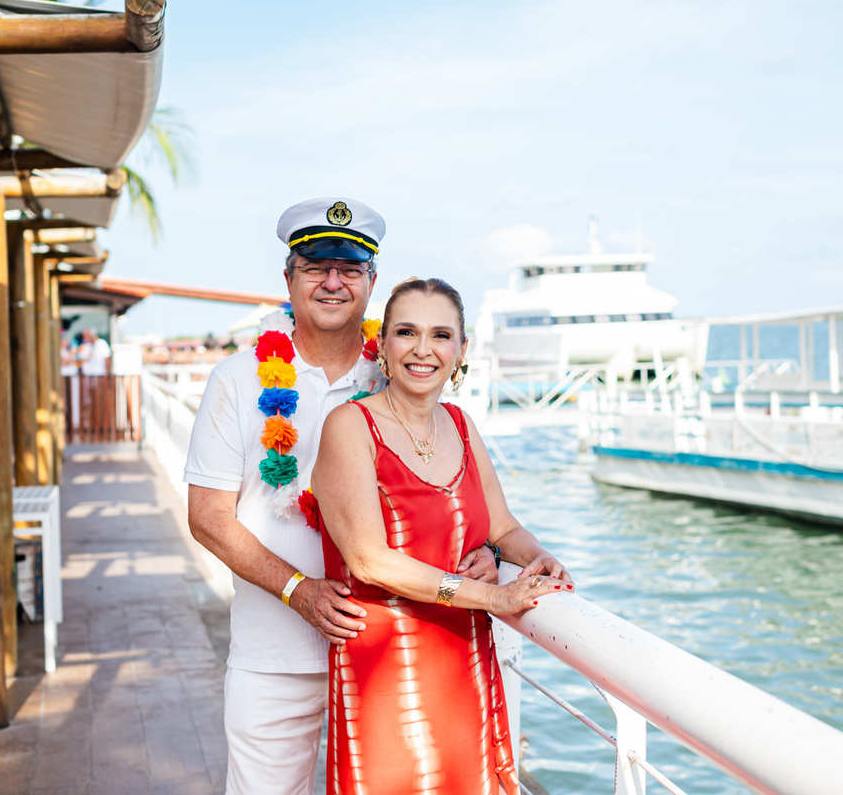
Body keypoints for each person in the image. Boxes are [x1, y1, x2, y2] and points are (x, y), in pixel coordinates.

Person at [184, 199, 498, 795]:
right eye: (315, 266)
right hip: (274, 650)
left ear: (371, 283)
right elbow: (207, 517)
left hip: (394, 646)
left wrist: (488, 551)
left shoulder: (402, 371)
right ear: (289, 278)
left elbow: (451, 485)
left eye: (350, 268)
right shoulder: (238, 378)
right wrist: (297, 590)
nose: (333, 282)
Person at [312, 278, 573, 795]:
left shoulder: (460, 423)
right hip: (387, 671)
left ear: (461, 350)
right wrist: (495, 595)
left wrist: (537, 556)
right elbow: (369, 561)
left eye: (441, 335)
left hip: (464, 660)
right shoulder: (351, 426)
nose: (423, 349)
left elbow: (502, 526)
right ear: (382, 344)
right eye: (407, 332)